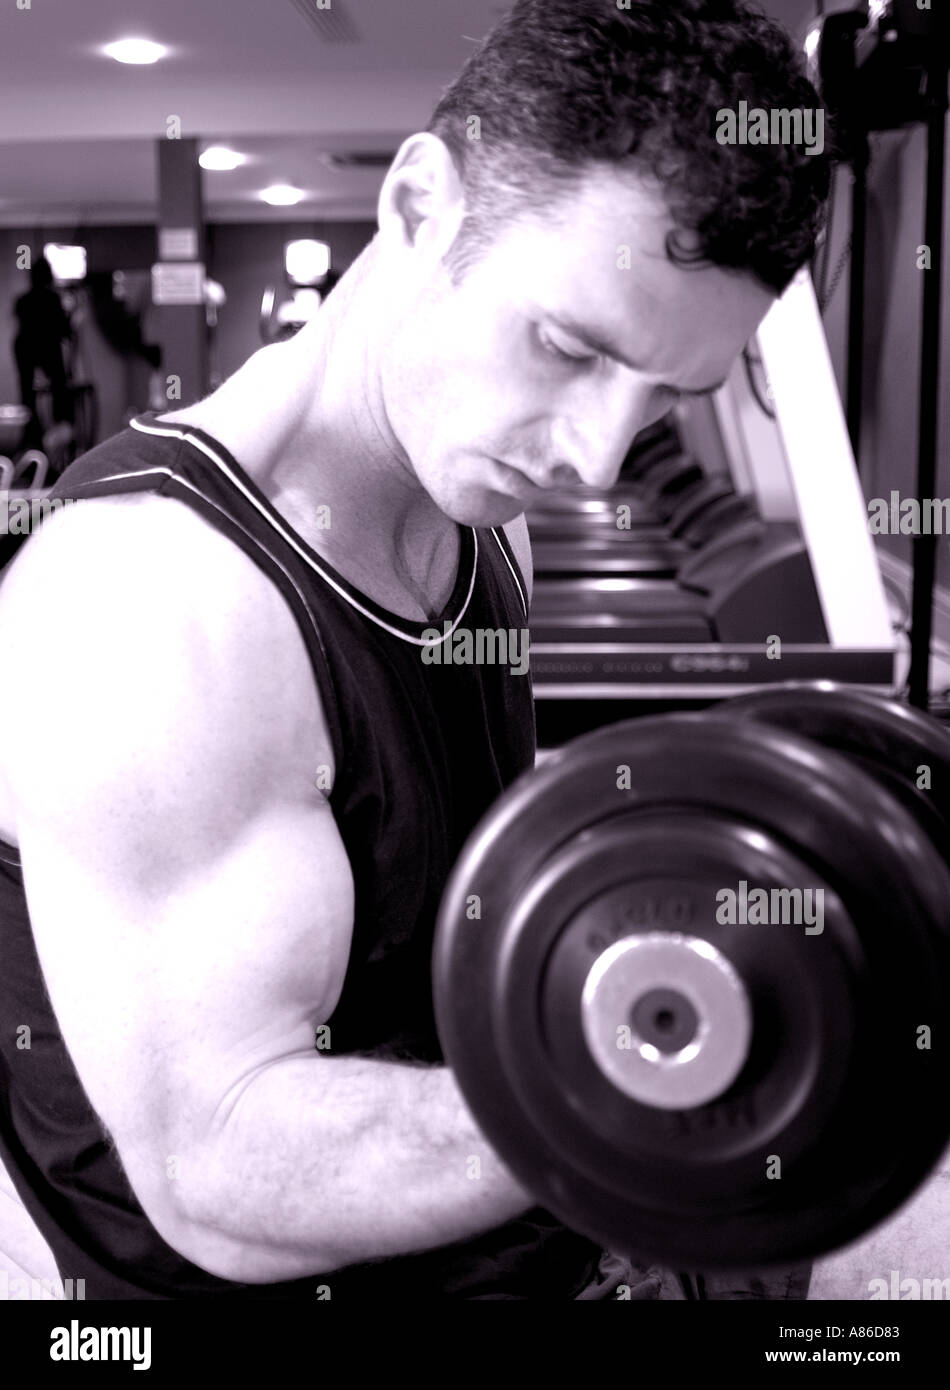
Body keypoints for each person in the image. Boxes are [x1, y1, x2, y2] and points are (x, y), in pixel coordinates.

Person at [0, 0, 829, 1298]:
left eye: (668, 392)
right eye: (565, 345)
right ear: (418, 204)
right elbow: (223, 1170)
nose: (595, 457)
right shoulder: (149, 599)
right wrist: (658, 1086)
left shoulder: (478, 512)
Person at [11, 255, 75, 457]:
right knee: (57, 386)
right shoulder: (51, 300)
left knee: (29, 393)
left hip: (29, 350)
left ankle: (36, 433)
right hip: (41, 349)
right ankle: (58, 426)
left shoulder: (24, 301)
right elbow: (64, 331)